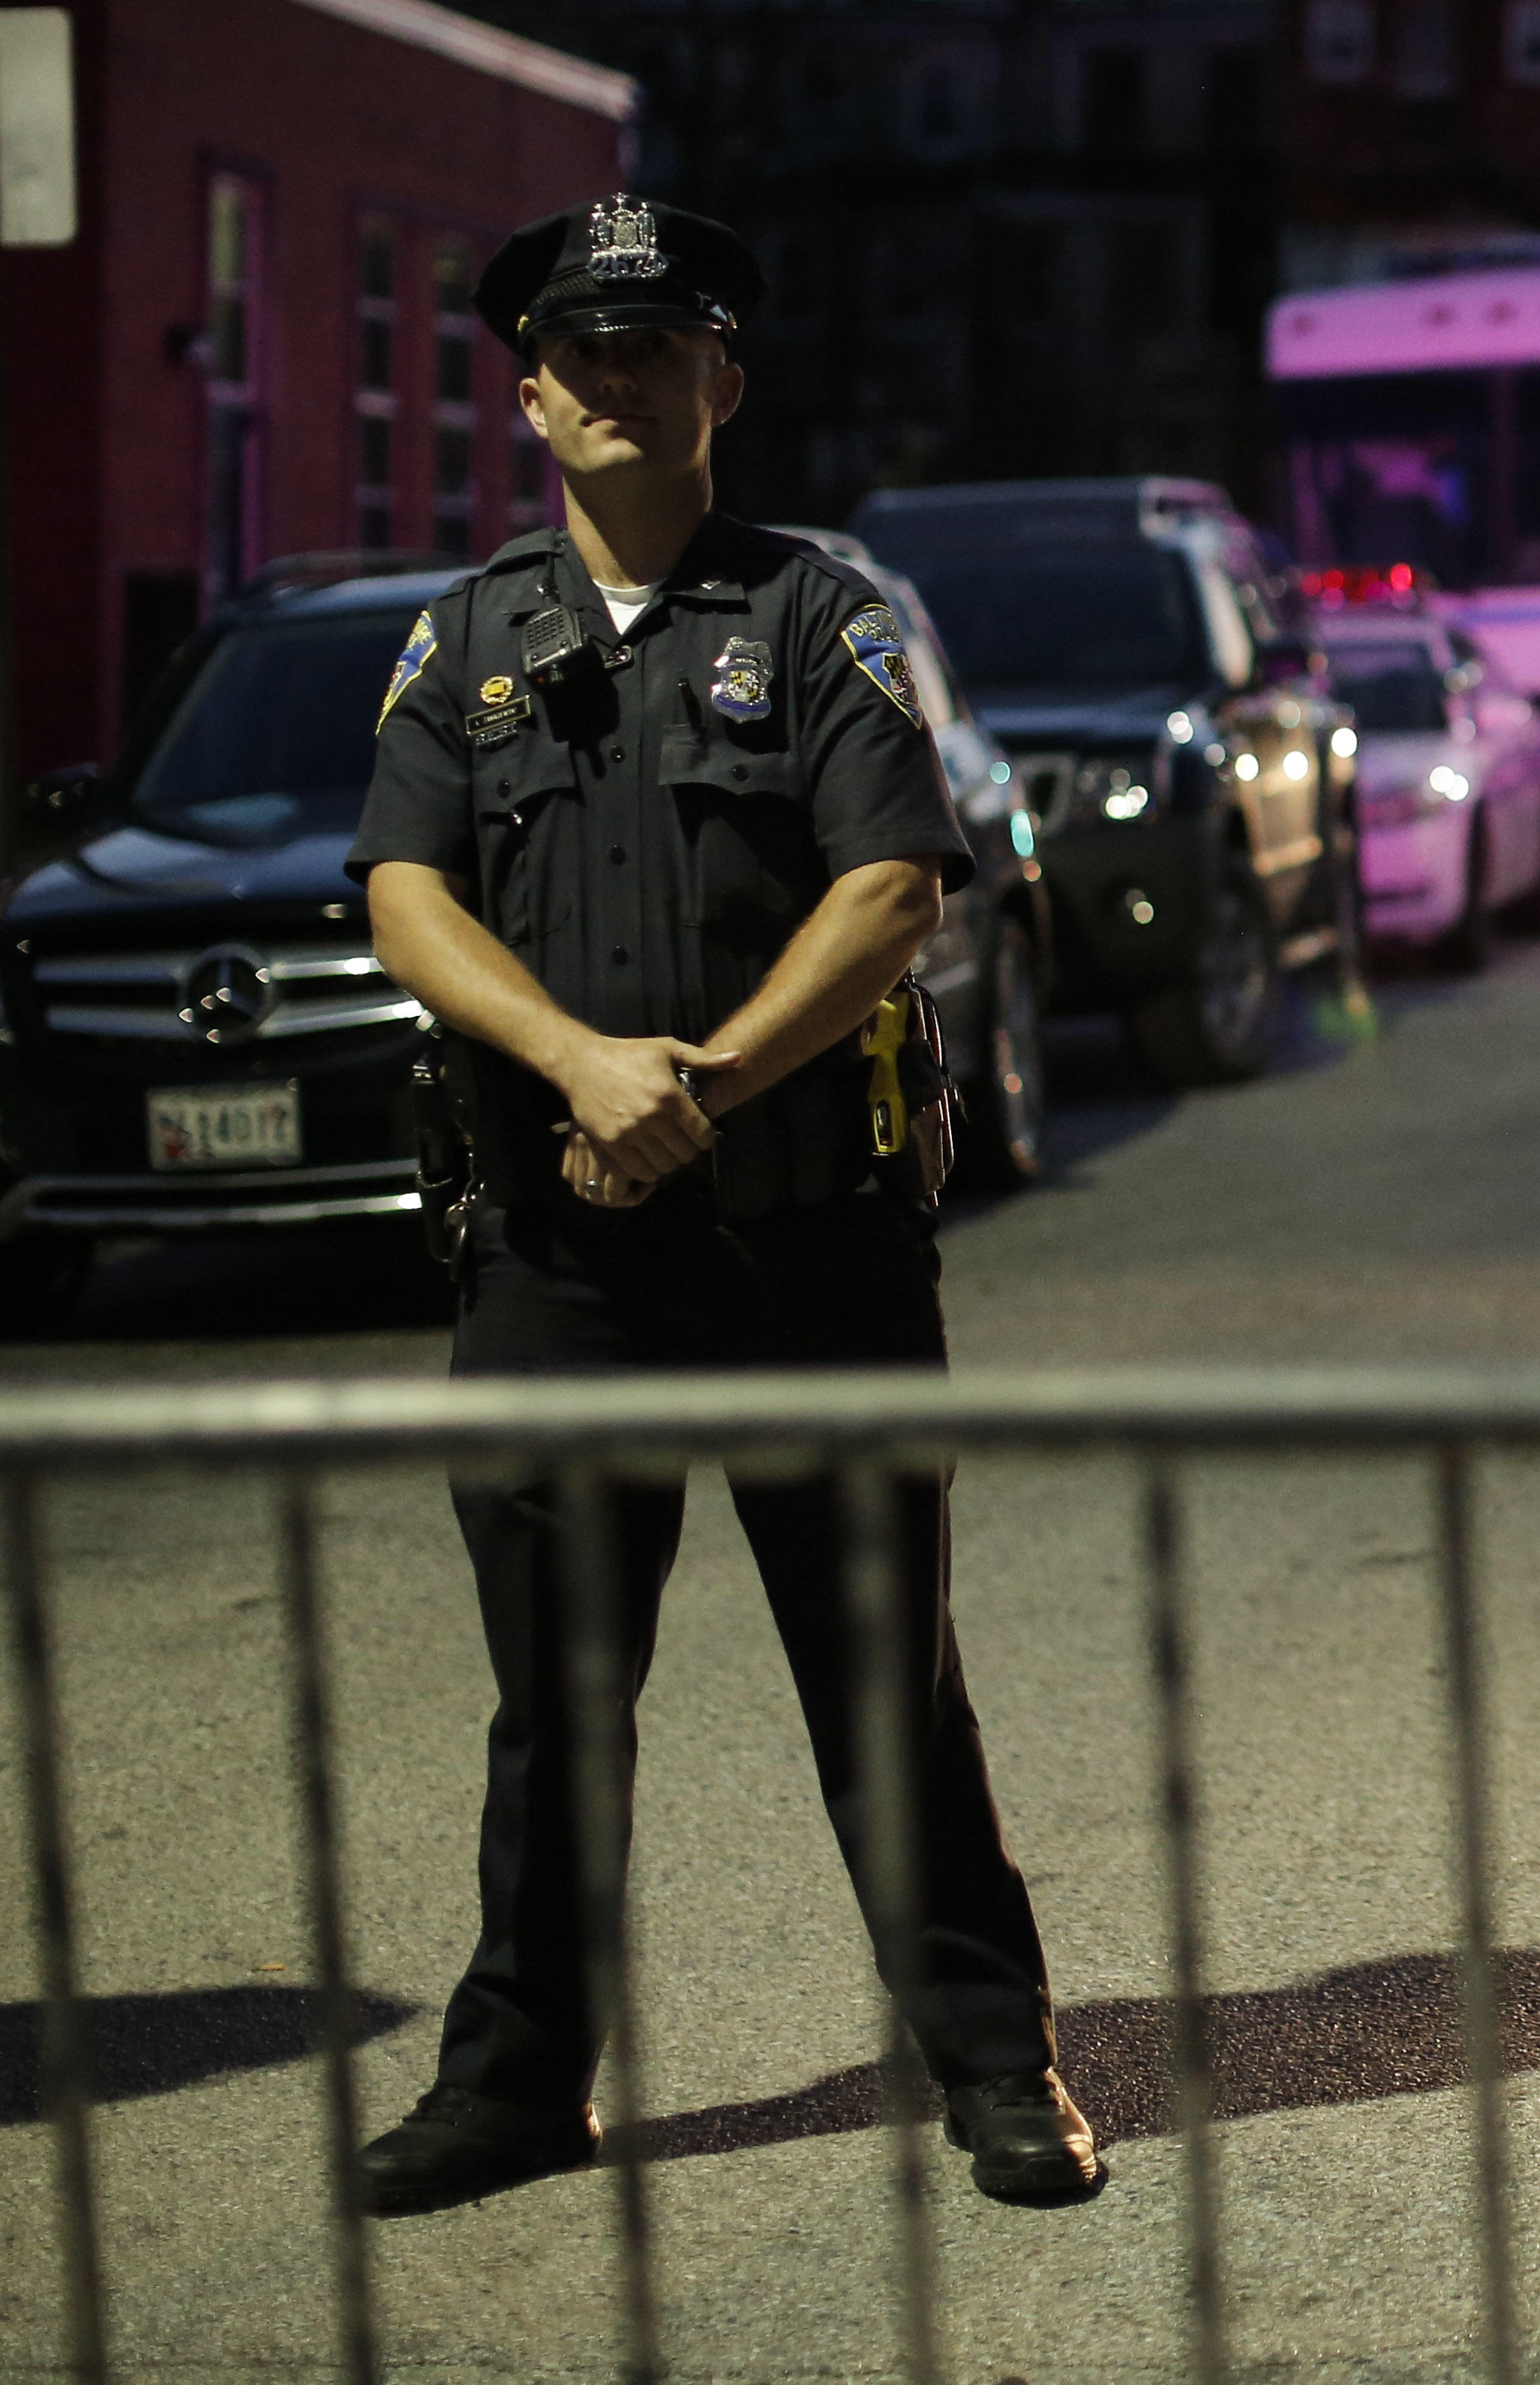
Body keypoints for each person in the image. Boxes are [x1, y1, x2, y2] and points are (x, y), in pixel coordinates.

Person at [344, 197, 1098, 2216]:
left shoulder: (816, 617)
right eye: (576, 356)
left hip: (805, 1239)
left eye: (654, 347)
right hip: (555, 1249)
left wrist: (706, 1079)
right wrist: (582, 1066)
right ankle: (518, 2085)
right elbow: (406, 894)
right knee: (556, 1704)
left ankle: (996, 2065)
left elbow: (892, 887)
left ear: (720, 383)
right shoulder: (468, 638)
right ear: (527, 395)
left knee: (883, 1679)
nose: (614, 380)